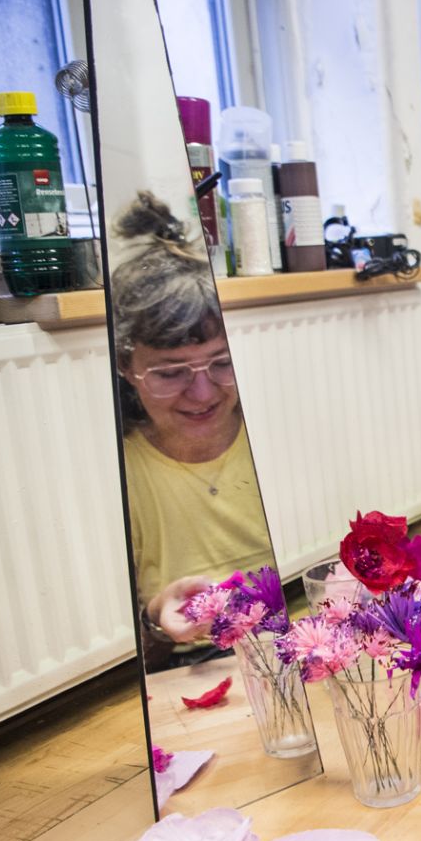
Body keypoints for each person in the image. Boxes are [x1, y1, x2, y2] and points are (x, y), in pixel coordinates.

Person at [110, 193, 276, 668]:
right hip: (190, 664)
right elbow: (136, 645)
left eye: (223, 364)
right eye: (169, 373)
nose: (203, 395)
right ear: (126, 366)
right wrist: (157, 618)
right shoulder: (126, 470)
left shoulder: (274, 432)